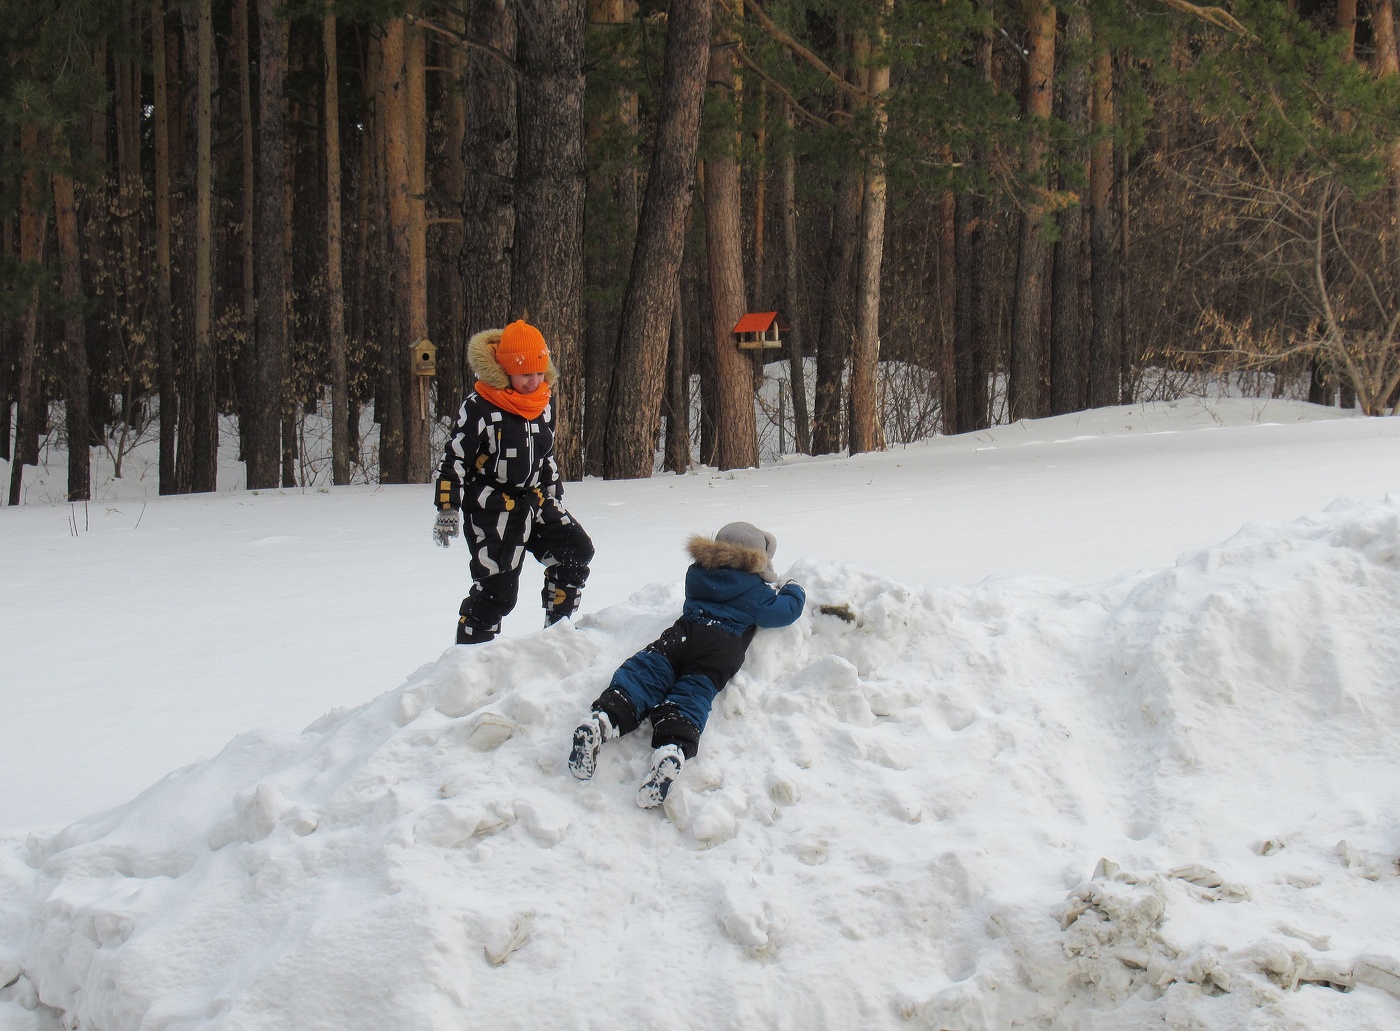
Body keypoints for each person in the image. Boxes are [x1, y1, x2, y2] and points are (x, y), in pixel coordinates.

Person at [567, 521, 805, 808]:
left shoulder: (697, 576)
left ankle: (602, 721)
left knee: (646, 672)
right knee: (692, 692)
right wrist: (793, 590)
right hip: (720, 647)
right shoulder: (755, 593)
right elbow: (784, 612)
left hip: (683, 634)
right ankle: (671, 750)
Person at [432, 320, 593, 644]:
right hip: (492, 506)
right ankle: (469, 658)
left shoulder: (543, 402)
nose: (533, 381)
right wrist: (447, 507)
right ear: (505, 371)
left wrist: (553, 494)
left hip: (535, 500)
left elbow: (545, 455)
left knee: (575, 550)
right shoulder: (479, 406)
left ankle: (557, 633)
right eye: (525, 375)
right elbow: (455, 459)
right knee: (498, 590)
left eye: (538, 373)